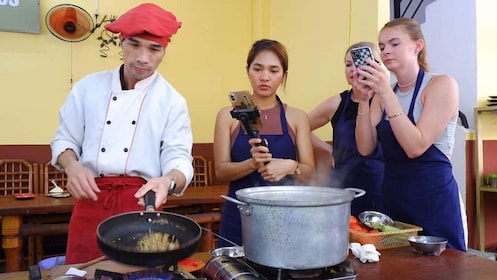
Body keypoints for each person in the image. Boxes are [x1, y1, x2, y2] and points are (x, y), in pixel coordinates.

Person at [50, 3, 194, 264]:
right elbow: (65, 139)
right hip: (90, 198)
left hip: (142, 205)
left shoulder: (172, 101)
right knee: (82, 271)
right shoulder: (87, 88)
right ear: (121, 42)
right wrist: (71, 166)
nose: (142, 57)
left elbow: (179, 157)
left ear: (164, 50)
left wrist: (168, 181)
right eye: (134, 45)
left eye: (154, 48)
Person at [354, 18, 466, 251]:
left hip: (433, 199)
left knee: (444, 269)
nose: (386, 51)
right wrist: (364, 101)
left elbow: (415, 146)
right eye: (382, 46)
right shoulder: (384, 95)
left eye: (394, 44)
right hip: (393, 198)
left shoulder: (441, 85)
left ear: (418, 46)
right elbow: (365, 147)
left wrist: (384, 92)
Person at [213, 39, 315, 247]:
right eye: (257, 69)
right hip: (239, 216)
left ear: (284, 76)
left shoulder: (297, 117)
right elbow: (221, 171)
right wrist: (252, 163)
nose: (265, 77)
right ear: (248, 70)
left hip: (284, 218)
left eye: (274, 70)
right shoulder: (228, 116)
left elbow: (309, 171)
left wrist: (290, 166)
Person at [307, 42, 384, 217]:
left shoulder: (388, 100)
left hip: (380, 186)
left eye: (358, 62)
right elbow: (298, 126)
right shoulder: (337, 102)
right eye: (348, 64)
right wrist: (325, 148)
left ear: (377, 65)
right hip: (341, 186)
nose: (352, 69)